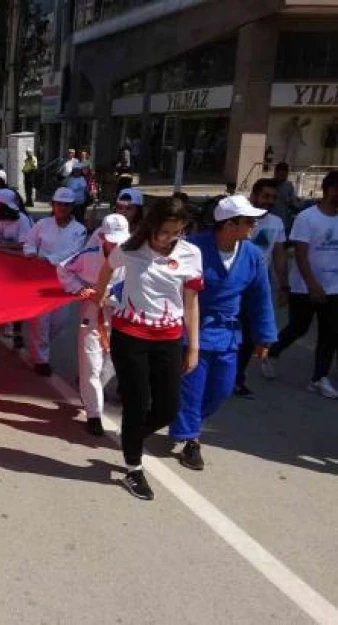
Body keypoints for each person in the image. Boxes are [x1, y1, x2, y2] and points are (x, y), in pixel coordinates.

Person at [93, 197, 203, 501]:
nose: (170, 239)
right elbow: (105, 270)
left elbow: (192, 303)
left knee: (168, 407)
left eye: (177, 232)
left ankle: (132, 436)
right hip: (130, 337)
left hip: (169, 338)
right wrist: (99, 297)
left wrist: (193, 347)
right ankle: (133, 468)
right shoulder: (129, 249)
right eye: (165, 232)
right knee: (137, 403)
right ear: (152, 226)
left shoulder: (191, 254)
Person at [168, 195, 277, 470]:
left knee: (222, 389)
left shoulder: (252, 255)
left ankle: (184, 419)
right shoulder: (192, 249)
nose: (254, 225)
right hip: (194, 330)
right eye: (249, 221)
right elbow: (164, 283)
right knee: (192, 389)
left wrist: (264, 336)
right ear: (229, 225)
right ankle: (191, 439)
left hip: (228, 333)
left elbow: (260, 297)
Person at [266, 170, 338, 399]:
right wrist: (312, 284)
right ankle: (273, 352)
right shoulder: (307, 217)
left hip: (334, 288)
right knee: (299, 328)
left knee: (331, 334)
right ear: (331, 190)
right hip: (305, 287)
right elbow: (300, 254)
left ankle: (319, 379)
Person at [57, 213, 130, 435]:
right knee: (90, 364)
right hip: (92, 314)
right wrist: (79, 288)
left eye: (120, 240)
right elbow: (63, 269)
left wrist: (109, 296)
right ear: (102, 237)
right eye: (111, 239)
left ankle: (91, 392)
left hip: (122, 316)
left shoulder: (135, 259)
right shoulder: (88, 256)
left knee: (111, 364)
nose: (116, 244)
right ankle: (94, 413)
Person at [23, 187, 89, 375]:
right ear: (53, 204)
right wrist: (31, 254)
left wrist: (49, 259)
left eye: (66, 205)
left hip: (65, 280)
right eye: (59, 204)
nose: (62, 208)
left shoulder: (80, 230)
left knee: (59, 322)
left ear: (72, 207)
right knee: (40, 321)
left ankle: (39, 347)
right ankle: (41, 360)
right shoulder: (42, 224)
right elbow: (30, 242)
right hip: (41, 278)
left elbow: (74, 253)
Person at [235, 179, 287, 396]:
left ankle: (237, 378)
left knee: (249, 335)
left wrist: (284, 285)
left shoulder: (276, 223)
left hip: (258, 285)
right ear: (254, 196)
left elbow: (279, 254)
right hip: (235, 282)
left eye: (273, 198)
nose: (269, 201)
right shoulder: (240, 218)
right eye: (266, 196)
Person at [0, 189, 33, 253]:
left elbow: (24, 244)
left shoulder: (22, 219)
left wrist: (1, 246)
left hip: (16, 255)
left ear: (3, 205)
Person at [272, 162, 299, 230]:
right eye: (281, 175)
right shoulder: (268, 184)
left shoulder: (289, 185)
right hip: (270, 219)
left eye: (284, 175)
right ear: (275, 173)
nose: (282, 177)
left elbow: (293, 202)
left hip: (283, 221)